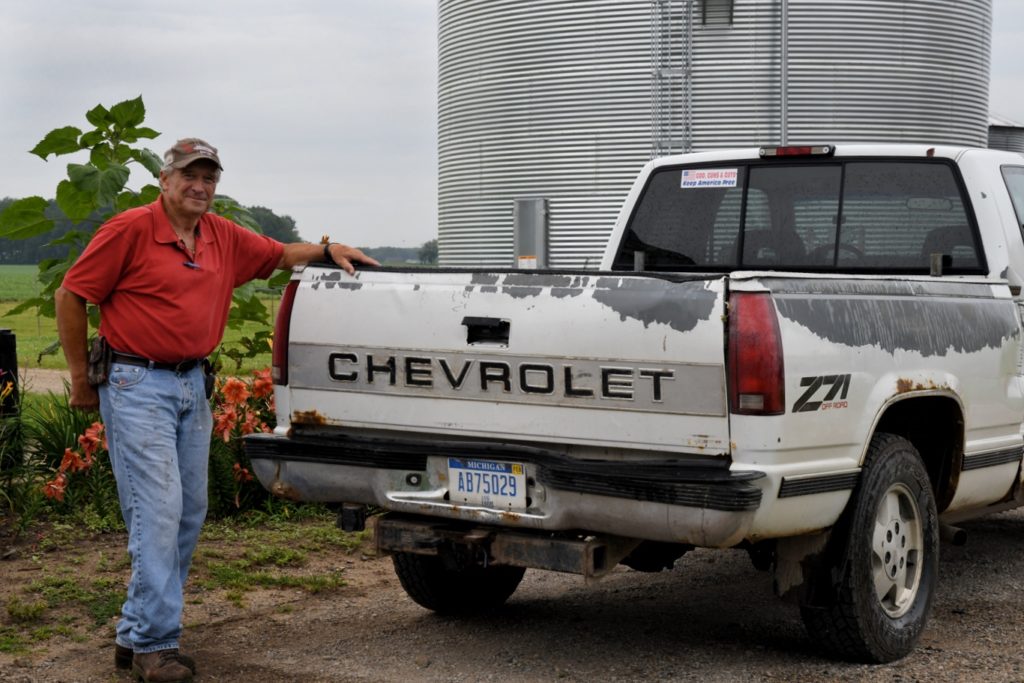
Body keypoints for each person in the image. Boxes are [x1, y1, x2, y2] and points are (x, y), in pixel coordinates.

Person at [54, 138, 378, 683]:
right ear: (165, 179)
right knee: (156, 513)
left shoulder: (220, 234)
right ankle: (157, 647)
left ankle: (135, 634)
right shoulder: (130, 229)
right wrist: (82, 378)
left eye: (209, 178)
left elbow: (278, 254)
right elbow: (72, 293)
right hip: (136, 383)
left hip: (190, 386)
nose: (200, 186)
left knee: (187, 512)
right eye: (189, 176)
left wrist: (329, 249)